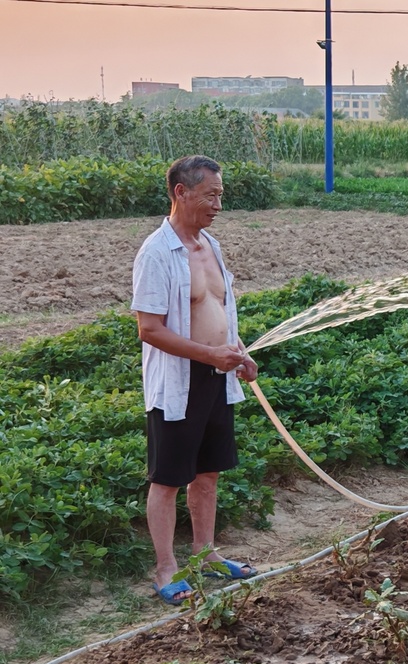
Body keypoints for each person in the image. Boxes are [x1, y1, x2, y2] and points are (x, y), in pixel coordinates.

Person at [132, 155, 260, 605]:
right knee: (168, 478)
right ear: (180, 193)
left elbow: (219, 310)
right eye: (210, 195)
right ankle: (167, 568)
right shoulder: (156, 253)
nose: (218, 204)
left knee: (207, 474)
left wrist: (237, 352)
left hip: (216, 379)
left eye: (221, 195)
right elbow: (150, 328)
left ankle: (205, 555)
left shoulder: (211, 245)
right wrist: (209, 353)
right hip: (178, 384)